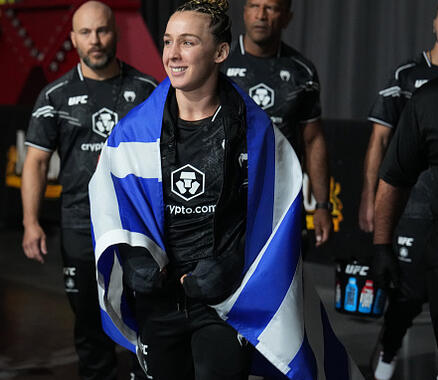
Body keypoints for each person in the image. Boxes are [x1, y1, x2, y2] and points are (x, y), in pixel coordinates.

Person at [88, 1, 365, 379]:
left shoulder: (257, 132)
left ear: (220, 52)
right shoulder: (132, 134)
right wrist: (135, 260)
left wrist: (232, 264)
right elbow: (110, 202)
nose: (173, 53)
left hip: (225, 302)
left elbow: (275, 215)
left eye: (187, 42)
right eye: (168, 41)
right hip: (161, 302)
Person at [20, 2, 157, 379]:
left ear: (116, 33)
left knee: (145, 313)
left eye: (102, 31)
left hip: (137, 223)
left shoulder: (147, 90)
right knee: (88, 320)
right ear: (73, 40)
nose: (95, 41)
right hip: (81, 224)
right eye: (86, 33)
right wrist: (31, 222)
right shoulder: (55, 96)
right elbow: (34, 162)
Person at [359, 1, 438, 378]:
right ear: (434, 22)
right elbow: (380, 145)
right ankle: (385, 362)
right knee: (406, 296)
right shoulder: (407, 76)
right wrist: (370, 200)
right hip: (411, 209)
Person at [220, 0, 332, 247]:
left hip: (282, 196)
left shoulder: (302, 71)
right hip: (226, 198)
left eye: (271, 8)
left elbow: (313, 140)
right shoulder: (220, 62)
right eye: (254, 6)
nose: (261, 15)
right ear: (244, 11)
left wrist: (322, 205)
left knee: (282, 282)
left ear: (287, 17)